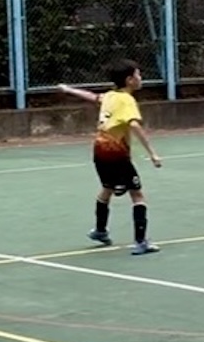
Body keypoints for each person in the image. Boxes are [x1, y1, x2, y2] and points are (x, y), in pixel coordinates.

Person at [62, 59, 162, 255]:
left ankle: (100, 230)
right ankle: (141, 242)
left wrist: (69, 89)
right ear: (129, 80)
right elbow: (133, 125)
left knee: (106, 189)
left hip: (99, 150)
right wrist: (152, 153)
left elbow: (92, 97)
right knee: (137, 195)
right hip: (116, 153)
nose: (140, 78)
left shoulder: (109, 96)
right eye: (138, 75)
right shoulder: (126, 100)